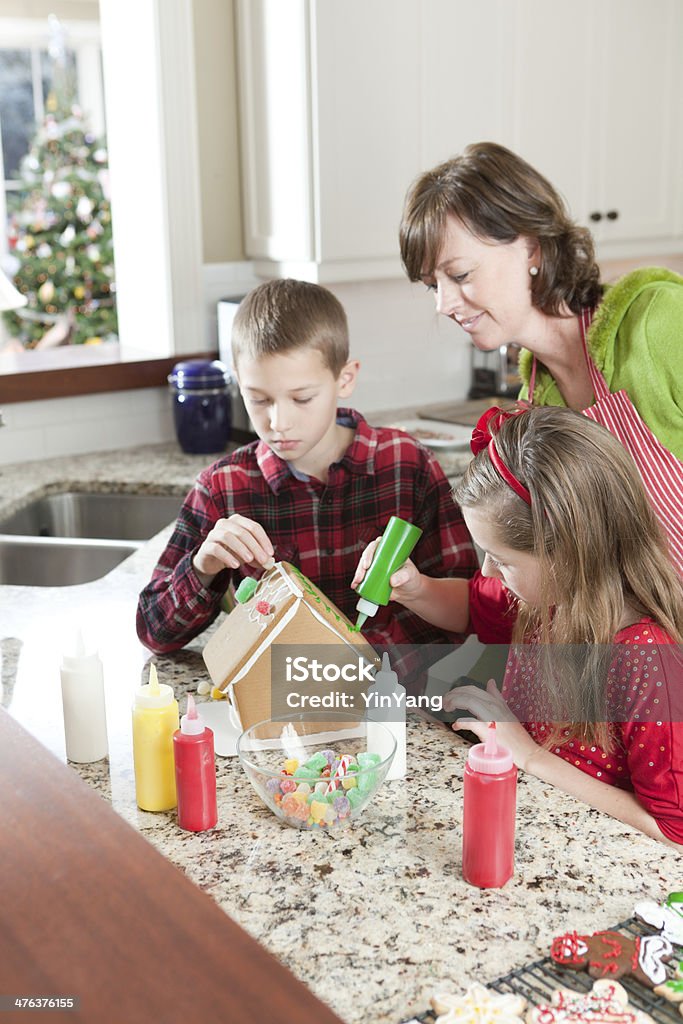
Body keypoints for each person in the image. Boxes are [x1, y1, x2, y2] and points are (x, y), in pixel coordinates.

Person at [352, 405, 683, 845]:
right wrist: (415, 588)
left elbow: (671, 828)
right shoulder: (547, 596)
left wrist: (526, 754)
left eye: (502, 560)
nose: (488, 571)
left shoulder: (647, 659)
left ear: (569, 552)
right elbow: (473, 605)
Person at [137, 278, 477, 655]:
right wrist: (203, 565)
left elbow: (467, 613)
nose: (279, 422)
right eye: (259, 399)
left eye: (302, 398)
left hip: (396, 699)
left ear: (344, 379)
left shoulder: (406, 465)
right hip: (277, 702)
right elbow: (154, 632)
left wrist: (355, 661)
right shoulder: (222, 487)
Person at [399, 141, 683, 573]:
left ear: (530, 247)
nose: (443, 304)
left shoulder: (659, 320)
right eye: (431, 285)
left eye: (459, 275)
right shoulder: (538, 400)